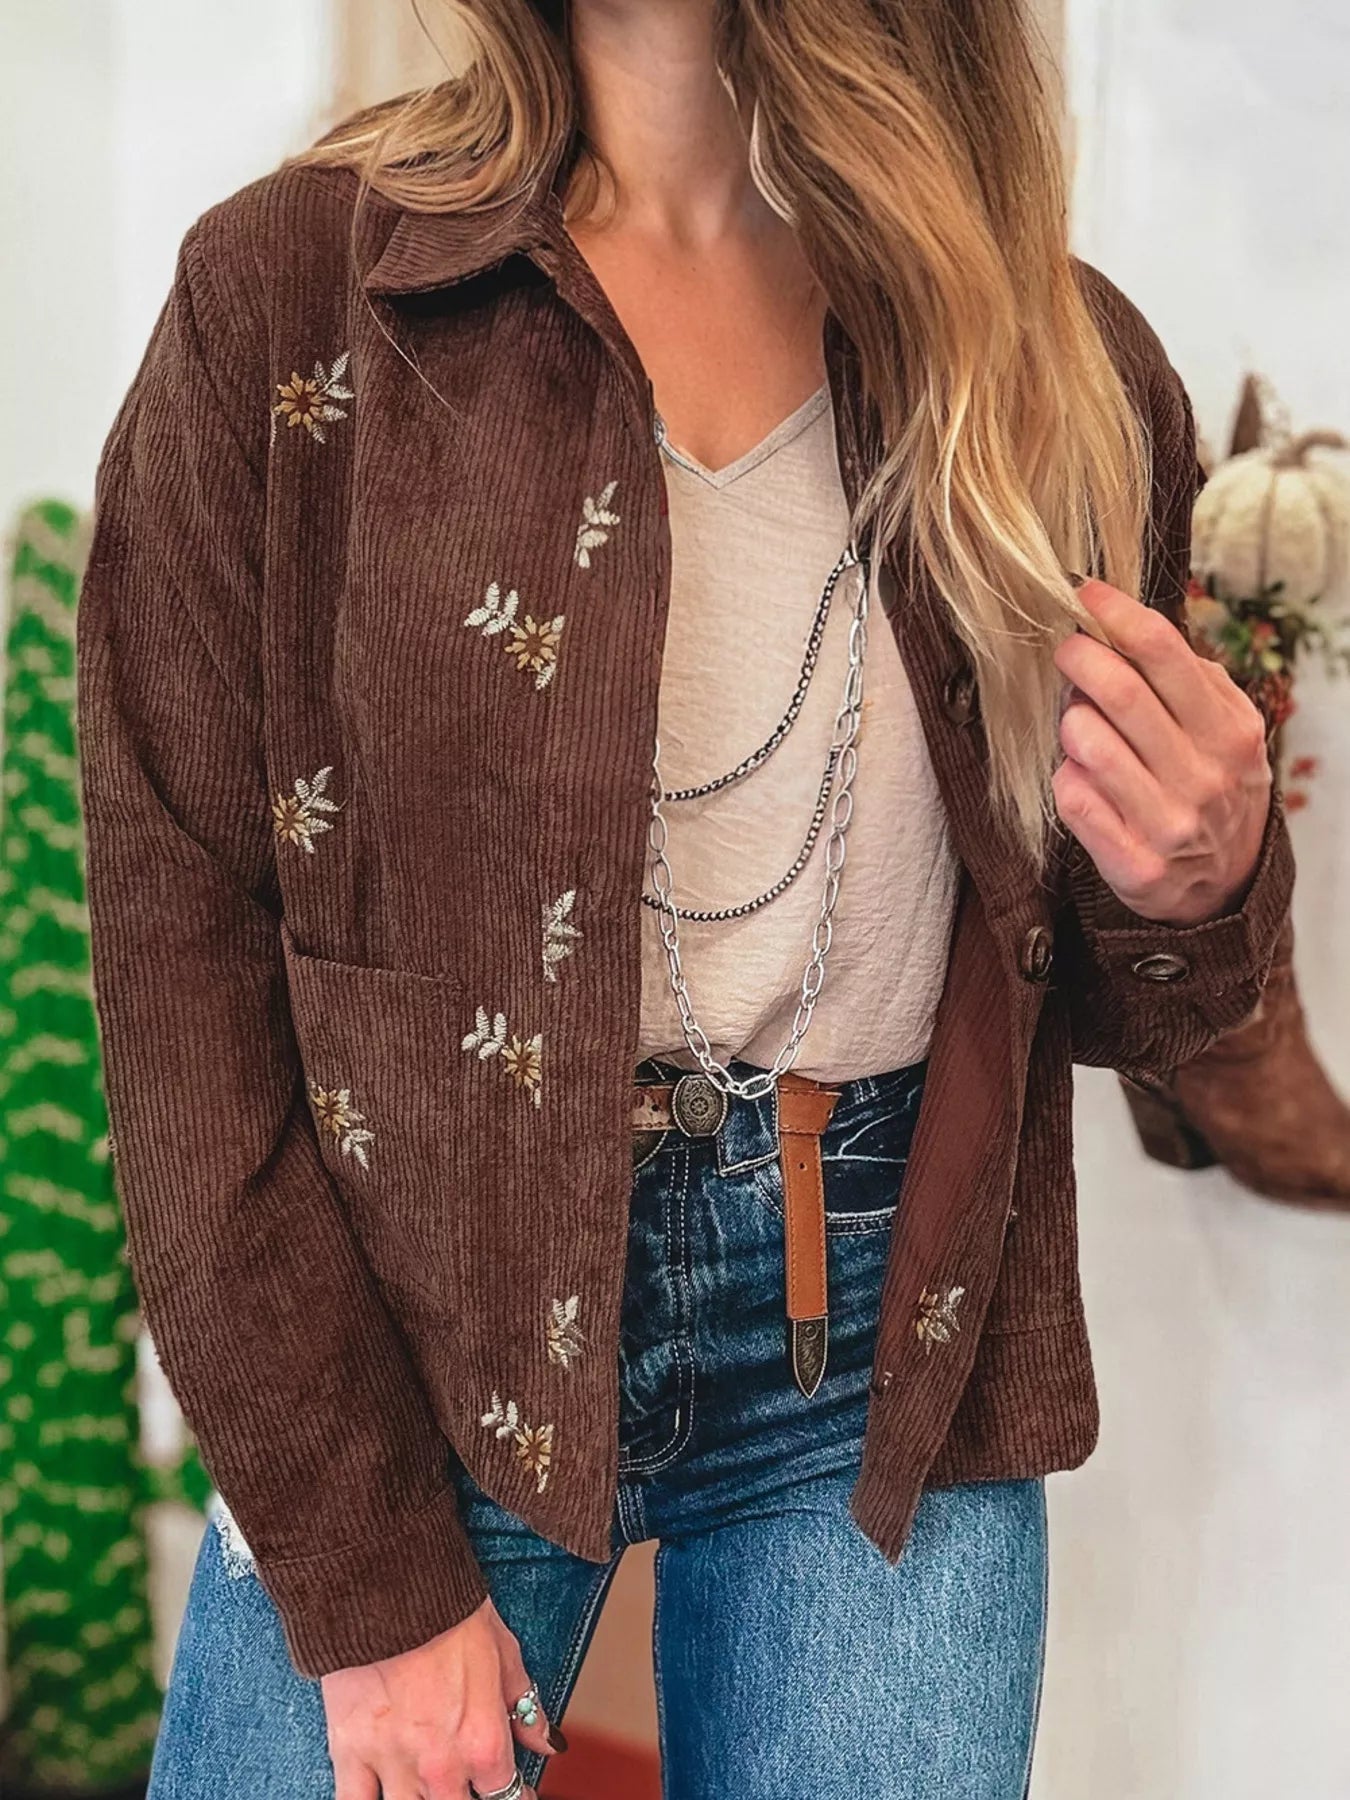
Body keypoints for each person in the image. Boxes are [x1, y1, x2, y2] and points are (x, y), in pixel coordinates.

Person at [75, 0, 1293, 1795]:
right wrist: (366, 1579)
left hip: (877, 1332)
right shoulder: (290, 304)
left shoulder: (1056, 365)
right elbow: (178, 975)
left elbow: (1106, 997)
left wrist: (1205, 876)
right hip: (418, 1313)